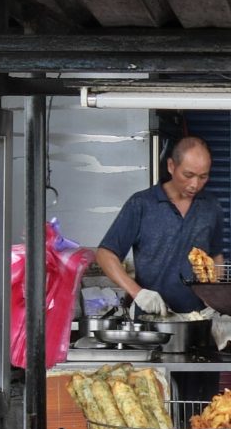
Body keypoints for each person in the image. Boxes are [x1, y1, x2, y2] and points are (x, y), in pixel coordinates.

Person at [94, 128, 222, 315]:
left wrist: (216, 301)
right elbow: (105, 254)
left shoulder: (212, 207)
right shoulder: (141, 204)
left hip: (199, 321)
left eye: (203, 177)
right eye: (188, 175)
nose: (195, 184)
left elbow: (216, 256)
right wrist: (138, 293)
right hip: (151, 321)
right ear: (171, 166)